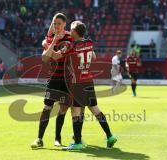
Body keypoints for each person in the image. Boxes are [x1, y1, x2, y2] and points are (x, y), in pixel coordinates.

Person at [44, 21, 117, 150]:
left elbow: (55, 56)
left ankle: (77, 142)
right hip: (88, 80)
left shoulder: (71, 45)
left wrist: (48, 45)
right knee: (95, 109)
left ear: (76, 32)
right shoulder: (89, 43)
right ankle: (110, 135)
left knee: (75, 111)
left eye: (71, 30)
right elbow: (93, 57)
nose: (70, 32)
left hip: (77, 83)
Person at [31, 13, 73, 148]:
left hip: (66, 79)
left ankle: (57, 138)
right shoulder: (51, 37)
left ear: (64, 24)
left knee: (63, 109)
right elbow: (44, 58)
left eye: (59, 23)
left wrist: (47, 46)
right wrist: (52, 42)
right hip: (53, 78)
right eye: (54, 23)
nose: (56, 26)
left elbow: (54, 57)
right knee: (46, 107)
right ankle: (39, 139)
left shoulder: (69, 38)